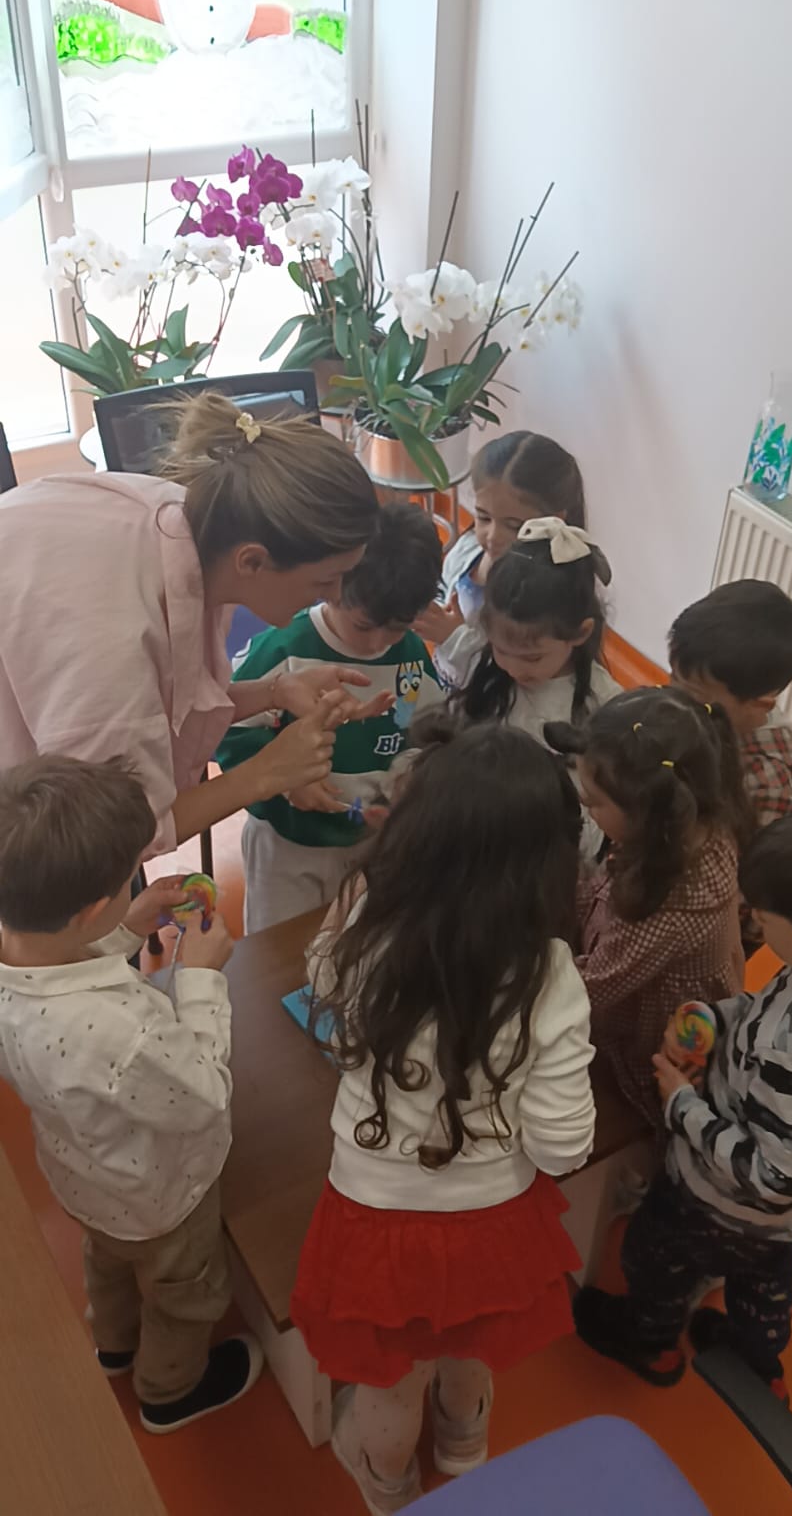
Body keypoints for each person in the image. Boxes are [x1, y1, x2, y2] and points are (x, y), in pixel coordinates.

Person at [290, 727, 596, 1513]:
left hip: (375, 1216)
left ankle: (388, 1485)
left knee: (392, 1383)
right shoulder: (550, 972)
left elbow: (322, 987)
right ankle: (464, 1443)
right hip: (492, 1219)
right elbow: (563, 1146)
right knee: (469, 1347)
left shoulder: (367, 927)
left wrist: (350, 905)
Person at [572, 802, 792, 1398]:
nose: (752, 921)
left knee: (654, 1253)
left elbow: (775, 1176)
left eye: (764, 920)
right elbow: (772, 1011)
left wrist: (682, 1105)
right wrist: (718, 1017)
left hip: (719, 1196)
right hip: (782, 1221)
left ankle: (651, 1341)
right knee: (764, 1276)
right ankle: (758, 1362)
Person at [0, 392, 388, 853]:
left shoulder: (195, 523)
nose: (336, 596)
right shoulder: (112, 642)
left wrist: (274, 691)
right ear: (252, 561)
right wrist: (266, 772)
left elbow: (166, 705)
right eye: (326, 579)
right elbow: (109, 839)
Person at [0, 754, 260, 1433]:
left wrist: (126, 926)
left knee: (108, 1262)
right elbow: (203, 1092)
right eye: (127, 881)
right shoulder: (122, 1032)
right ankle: (170, 1391)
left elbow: (59, 957)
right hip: (162, 1198)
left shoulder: (18, 956)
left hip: (83, 1178)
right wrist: (200, 976)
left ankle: (114, 1345)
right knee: (183, 1292)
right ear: (90, 908)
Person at [216, 503, 445, 931]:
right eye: (363, 626)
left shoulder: (412, 657)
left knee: (354, 941)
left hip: (369, 844)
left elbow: (425, 733)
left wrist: (409, 783)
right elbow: (226, 733)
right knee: (278, 949)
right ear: (332, 586)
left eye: (397, 628)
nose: (377, 643)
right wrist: (286, 782)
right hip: (287, 845)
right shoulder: (284, 647)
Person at [547, 686, 750, 1134]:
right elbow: (602, 891)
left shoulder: (670, 904)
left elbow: (591, 988)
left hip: (657, 1038)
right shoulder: (695, 827)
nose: (586, 806)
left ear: (648, 812)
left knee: (646, 1121)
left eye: (595, 801)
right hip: (648, 983)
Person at [458, 516, 618, 855]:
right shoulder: (485, 672)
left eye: (532, 658)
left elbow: (601, 807)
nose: (514, 668)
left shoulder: (604, 704)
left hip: (554, 848)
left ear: (581, 633)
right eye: (501, 650)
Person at [668, 581, 792, 948]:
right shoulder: (706, 720)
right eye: (672, 679)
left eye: (692, 695)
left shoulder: (770, 785)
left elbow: (753, 910)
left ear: (760, 704)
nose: (674, 701)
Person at [418, 431, 609, 691]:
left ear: (554, 521)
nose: (492, 537)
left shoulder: (549, 594)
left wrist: (454, 638)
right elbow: (444, 592)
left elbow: (518, 676)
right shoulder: (467, 551)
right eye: (484, 518)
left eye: (514, 525)